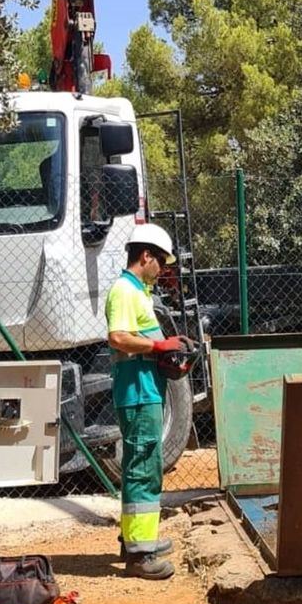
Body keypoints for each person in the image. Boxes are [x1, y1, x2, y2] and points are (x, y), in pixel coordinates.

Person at [105, 223, 189, 579]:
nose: (163, 269)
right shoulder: (124, 291)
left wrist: (169, 347)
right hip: (138, 392)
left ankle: (138, 539)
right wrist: (159, 347)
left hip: (145, 388)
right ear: (146, 256)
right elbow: (119, 337)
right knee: (143, 466)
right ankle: (140, 555)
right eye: (161, 262)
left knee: (144, 464)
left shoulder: (137, 292)